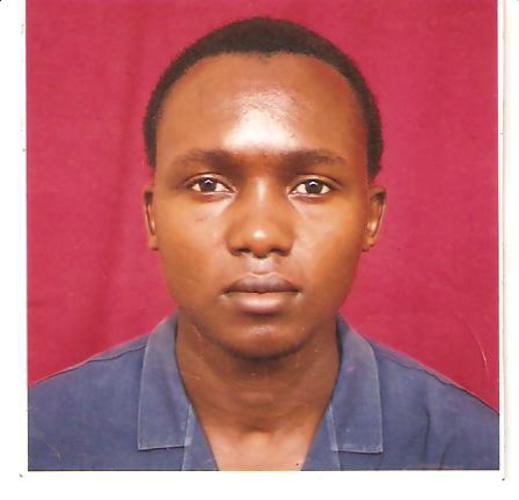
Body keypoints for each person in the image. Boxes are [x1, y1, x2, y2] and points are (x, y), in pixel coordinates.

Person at [28, 17, 498, 471]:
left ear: (371, 218)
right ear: (152, 216)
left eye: (312, 187)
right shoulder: (34, 441)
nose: (259, 236)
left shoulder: (475, 452)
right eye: (208, 184)